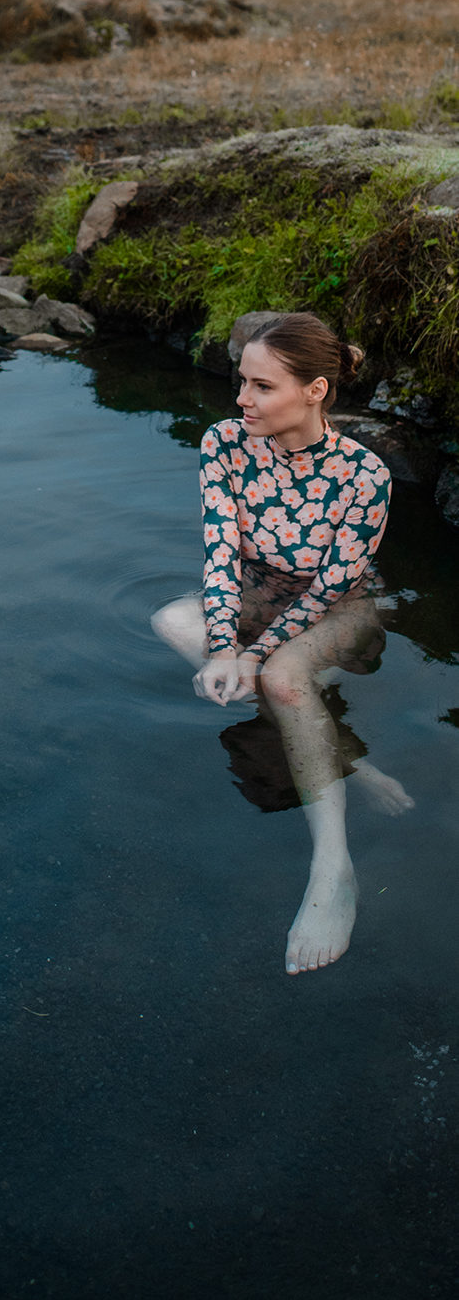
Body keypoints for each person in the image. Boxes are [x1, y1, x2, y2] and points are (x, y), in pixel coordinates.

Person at [152, 311, 413, 976]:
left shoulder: (365, 477)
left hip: (340, 604)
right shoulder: (225, 443)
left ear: (315, 389)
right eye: (243, 382)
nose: (242, 399)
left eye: (261, 386)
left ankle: (334, 867)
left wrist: (254, 652)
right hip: (256, 588)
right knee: (172, 622)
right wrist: (221, 646)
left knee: (283, 675)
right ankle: (344, 756)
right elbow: (218, 554)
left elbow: (330, 587)